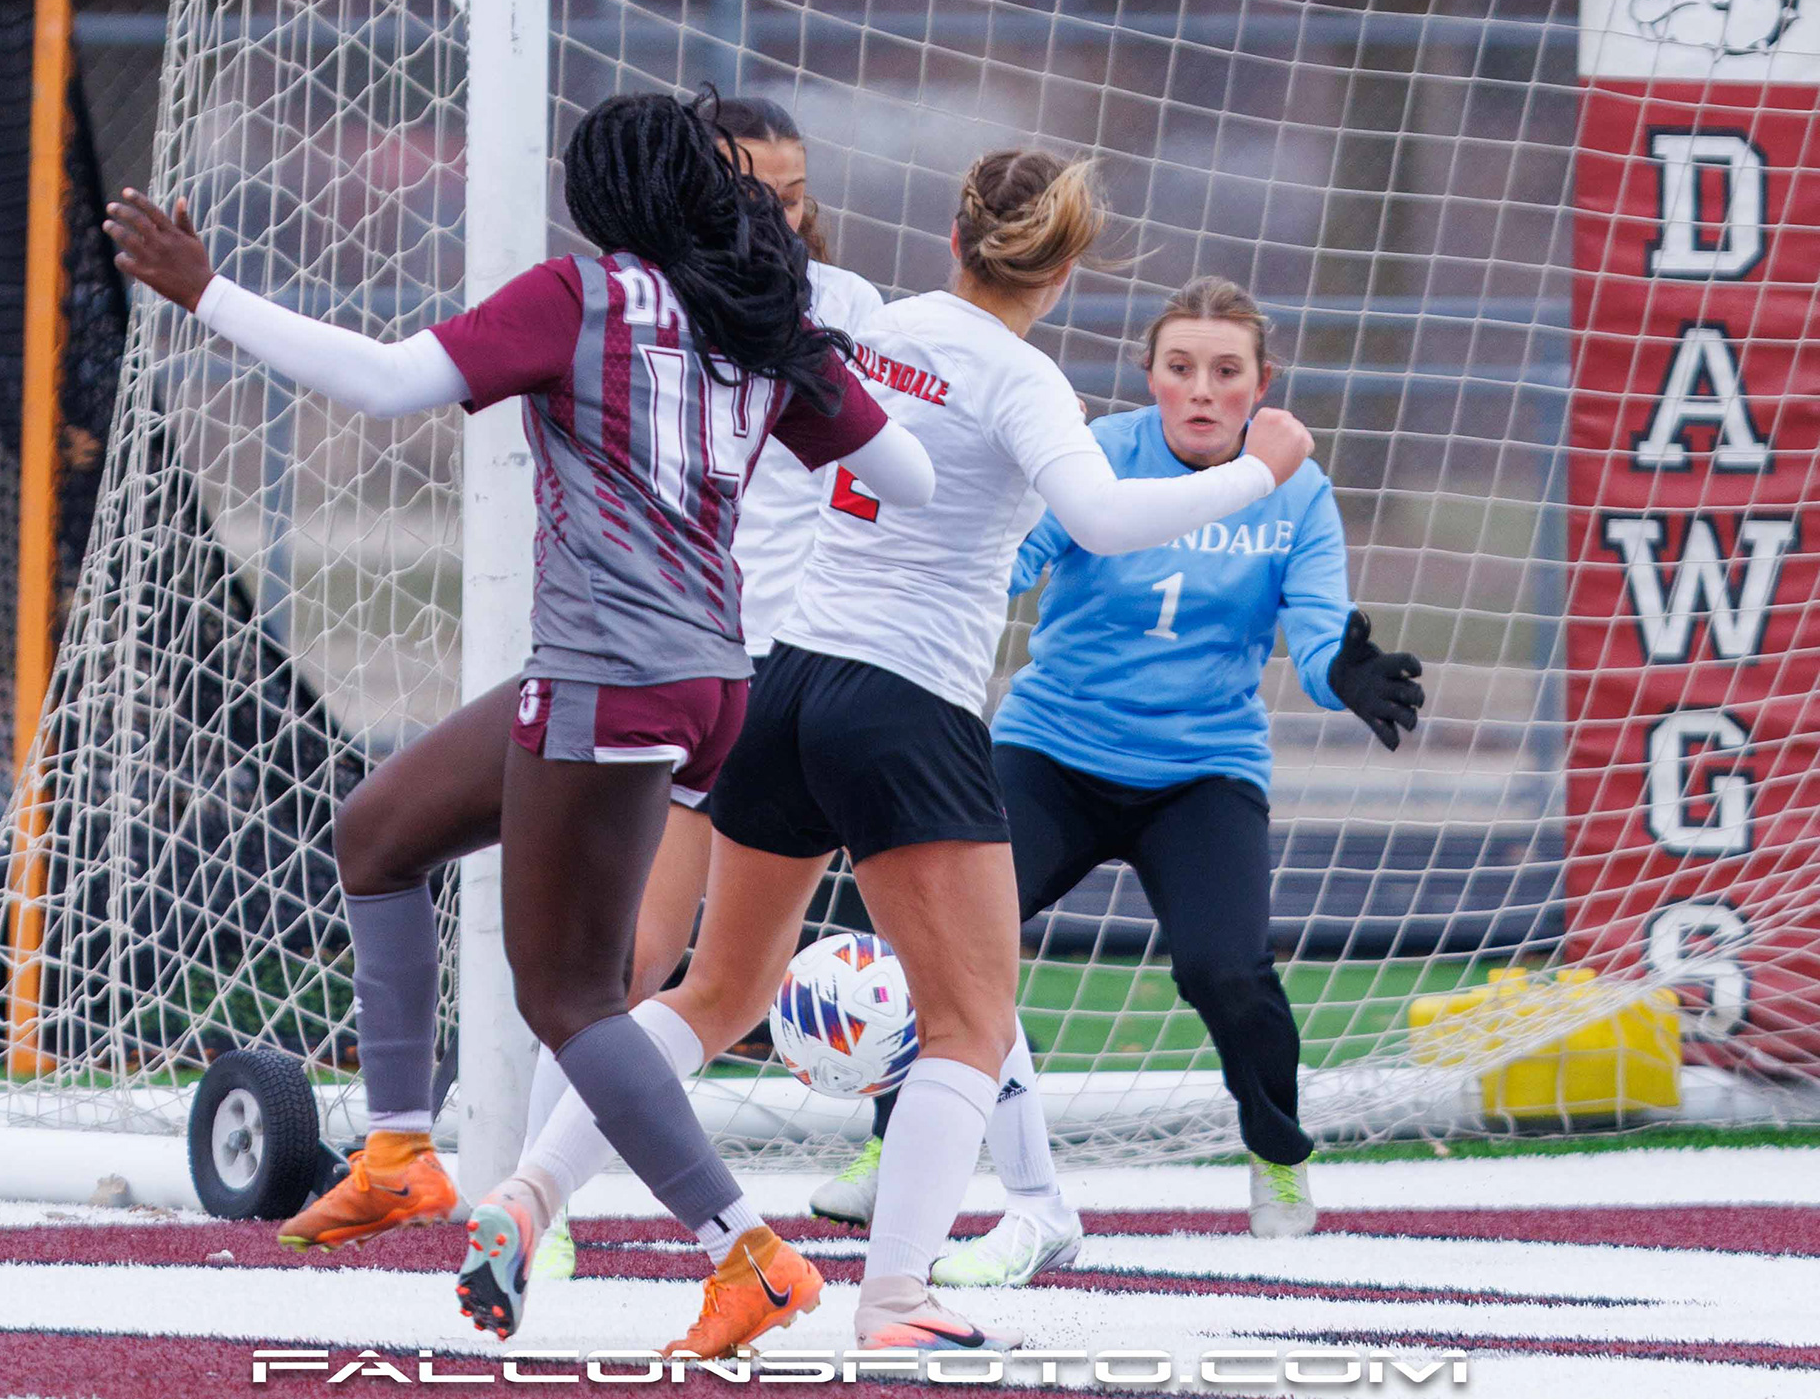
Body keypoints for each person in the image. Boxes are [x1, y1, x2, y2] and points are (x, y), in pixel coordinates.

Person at [105, 90, 934, 1353]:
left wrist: (206, 291)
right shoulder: (765, 321)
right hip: (707, 677)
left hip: (611, 676)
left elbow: (387, 381)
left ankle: (748, 1258)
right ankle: (399, 1151)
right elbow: (907, 476)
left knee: (570, 999)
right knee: (379, 831)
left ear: (606, 199)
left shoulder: (581, 295)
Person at [469, 148, 1315, 1354]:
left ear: (956, 238)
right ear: (1065, 268)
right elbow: (1104, 518)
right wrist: (1258, 470)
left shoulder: (873, 328)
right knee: (972, 1023)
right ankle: (896, 1297)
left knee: (714, 993)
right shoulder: (1022, 378)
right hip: (904, 706)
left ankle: (529, 1190)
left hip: (787, 679)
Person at [903, 275, 1426, 1287]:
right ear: (1150, 376)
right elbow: (1013, 559)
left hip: (1202, 771)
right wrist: (945, 556)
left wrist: (1345, 673)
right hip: (1051, 750)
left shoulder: (1297, 490)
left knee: (1226, 969)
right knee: (948, 940)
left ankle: (1277, 1152)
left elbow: (1322, 636)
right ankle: (895, 1143)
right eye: (1181, 367)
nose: (1202, 389)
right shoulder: (1097, 454)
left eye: (1226, 371)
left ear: (1262, 386)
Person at [507, 95, 885, 1283]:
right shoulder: (645, 304)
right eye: (753, 189)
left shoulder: (850, 311)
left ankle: (977, 1180)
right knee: (631, 960)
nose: (781, 213)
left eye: (796, 192)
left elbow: (908, 459)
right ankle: (535, 1203)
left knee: (931, 935)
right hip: (698, 661)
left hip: (823, 669)